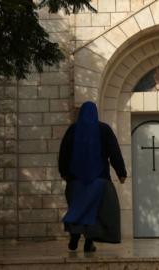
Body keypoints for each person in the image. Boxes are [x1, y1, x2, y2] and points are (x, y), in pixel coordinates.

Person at [58, 101, 127, 252]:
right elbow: (114, 152)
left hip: (75, 181)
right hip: (99, 180)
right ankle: (88, 242)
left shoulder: (73, 130)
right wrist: (121, 173)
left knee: (78, 208)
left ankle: (76, 235)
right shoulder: (104, 129)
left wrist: (63, 172)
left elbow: (64, 152)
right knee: (95, 210)